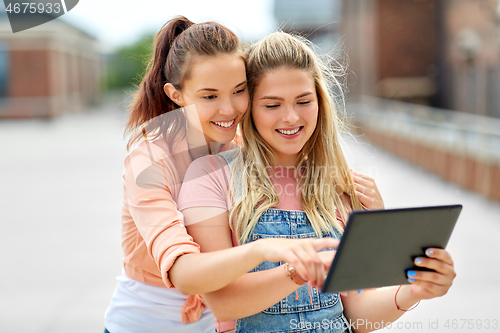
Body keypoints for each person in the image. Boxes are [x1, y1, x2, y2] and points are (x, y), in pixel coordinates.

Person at [177, 32, 456, 333]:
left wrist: (415, 290)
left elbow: (358, 313)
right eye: (272, 105)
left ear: (320, 101)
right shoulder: (210, 177)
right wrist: (298, 272)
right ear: (249, 110)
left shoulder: (341, 187)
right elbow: (225, 303)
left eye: (303, 101)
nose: (291, 117)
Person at [104, 17, 342, 333]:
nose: (229, 109)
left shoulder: (239, 147)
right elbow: (184, 273)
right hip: (150, 323)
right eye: (209, 96)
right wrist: (264, 249)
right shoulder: (148, 162)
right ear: (176, 95)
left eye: (238, 91)